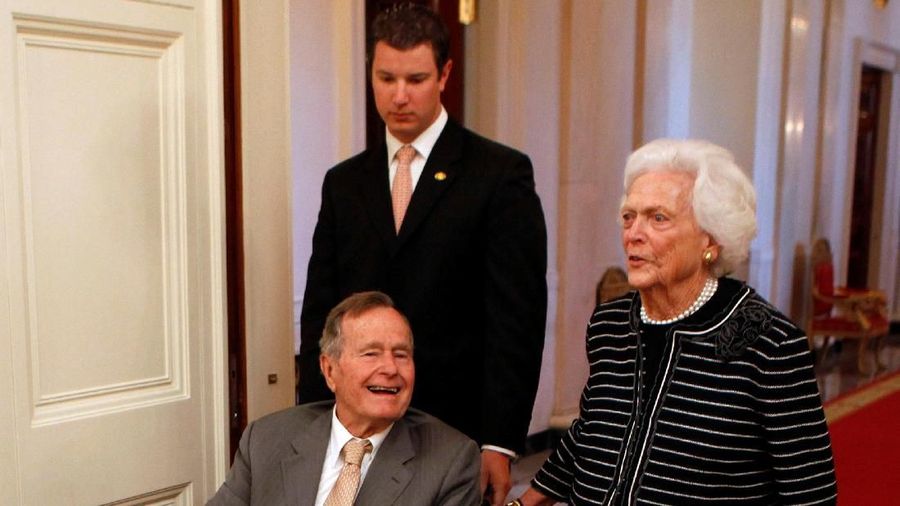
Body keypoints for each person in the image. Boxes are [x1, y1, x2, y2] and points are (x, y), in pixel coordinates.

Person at [297, 4, 547, 504]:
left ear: (444, 74)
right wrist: (311, 417)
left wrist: (499, 440)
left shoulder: (499, 174)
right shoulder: (344, 182)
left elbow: (515, 321)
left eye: (416, 78)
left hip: (456, 427)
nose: (399, 95)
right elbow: (320, 310)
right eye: (385, 78)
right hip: (357, 423)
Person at [511, 139, 837, 505]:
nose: (633, 233)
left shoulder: (769, 343)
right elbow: (589, 435)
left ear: (710, 238)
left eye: (658, 218)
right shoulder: (610, 325)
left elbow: (811, 494)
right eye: (628, 216)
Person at [209, 291, 480, 505]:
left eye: (401, 354)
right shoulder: (267, 439)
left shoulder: (449, 461)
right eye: (370, 353)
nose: (390, 368)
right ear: (329, 370)